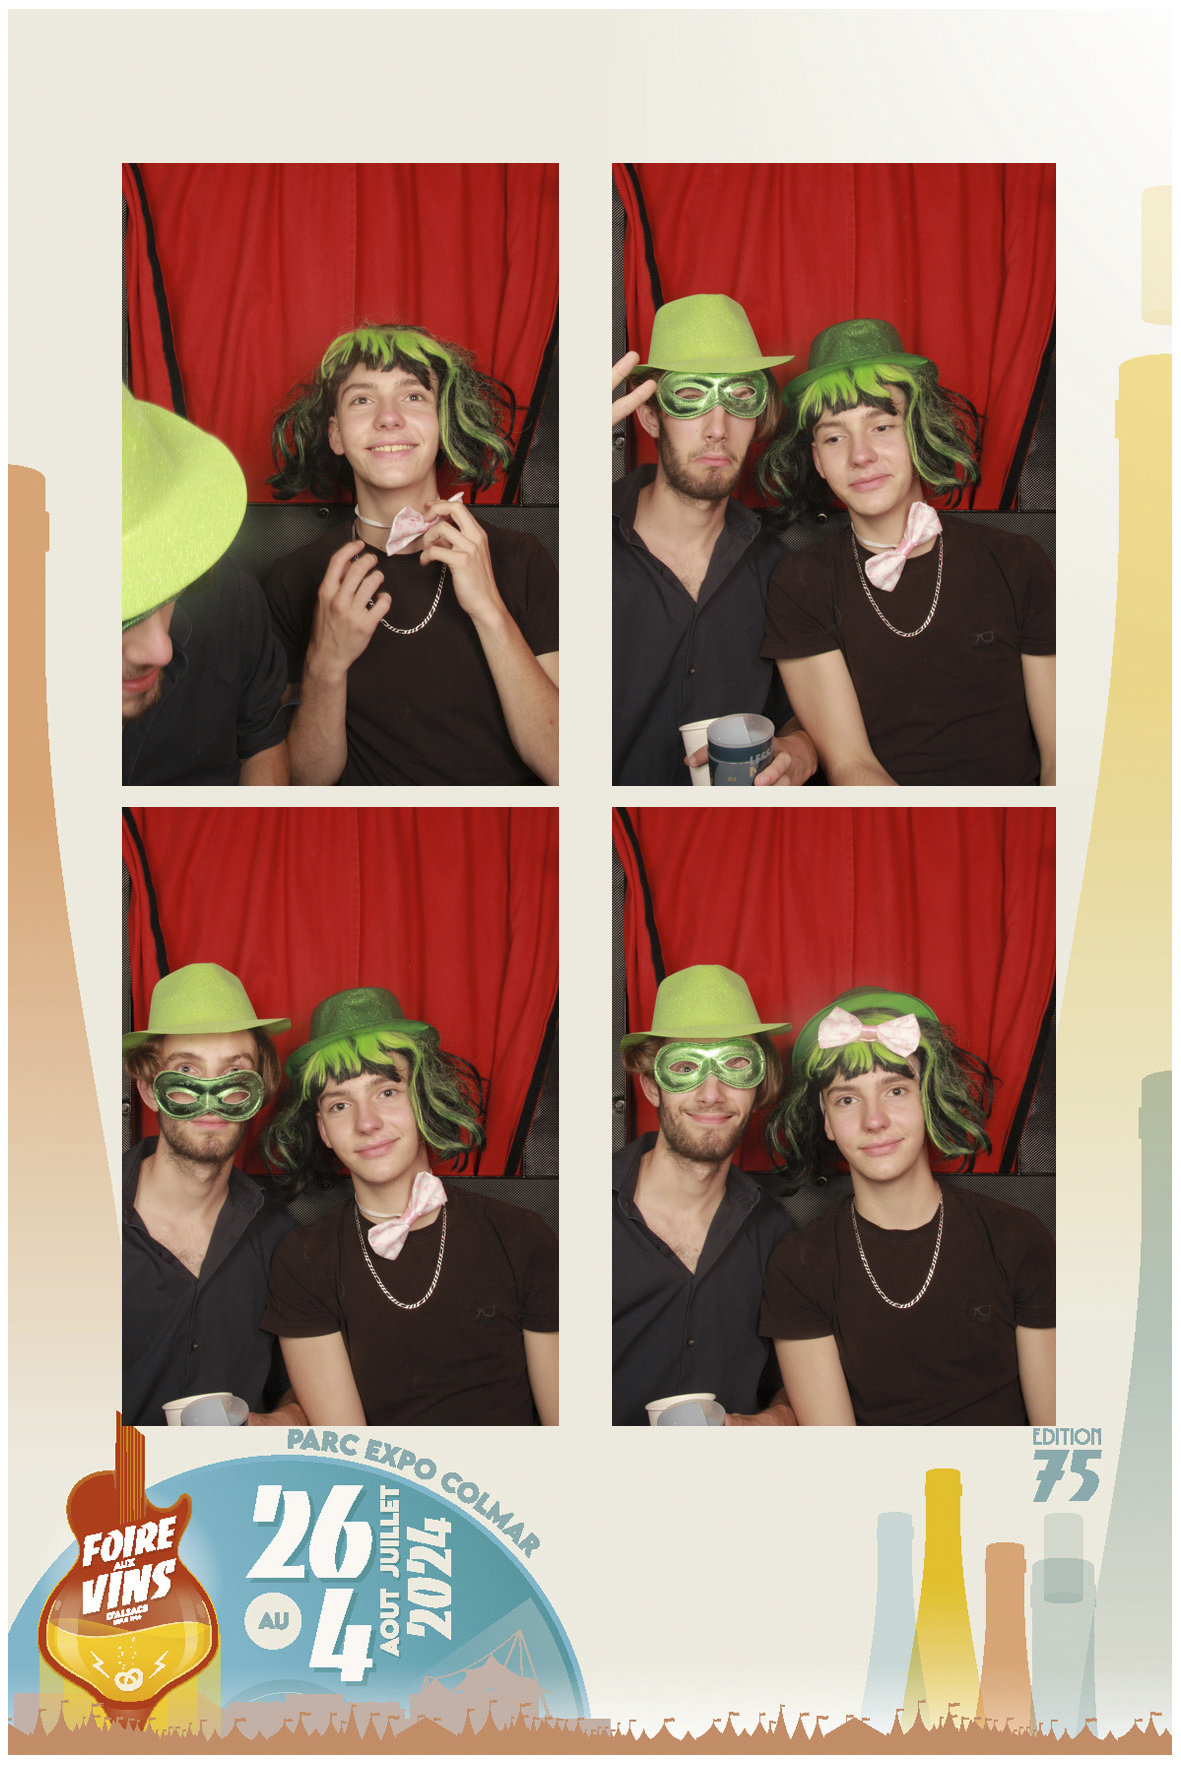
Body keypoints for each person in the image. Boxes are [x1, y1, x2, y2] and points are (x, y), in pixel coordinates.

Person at [757, 318, 1056, 786]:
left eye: (881, 426)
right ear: (817, 460)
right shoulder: (801, 583)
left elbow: (1064, 758)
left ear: (917, 432)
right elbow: (851, 765)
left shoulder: (1018, 560)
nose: (860, 455)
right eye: (834, 437)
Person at [265, 325, 558, 786]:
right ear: (336, 435)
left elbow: (567, 768)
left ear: (443, 424)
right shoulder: (295, 578)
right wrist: (325, 666)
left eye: (414, 396)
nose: (388, 418)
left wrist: (489, 610)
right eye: (363, 399)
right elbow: (303, 786)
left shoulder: (521, 559)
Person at [260, 987, 559, 1426]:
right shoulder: (302, 1262)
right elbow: (349, 1450)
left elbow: (566, 1431)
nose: (366, 1122)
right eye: (340, 1104)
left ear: (422, 1097)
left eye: (386, 1092)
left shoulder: (522, 1236)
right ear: (323, 1130)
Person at [760, 988, 1056, 1426]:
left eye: (895, 1090)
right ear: (827, 1122)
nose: (874, 1120)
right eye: (846, 1099)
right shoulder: (798, 1266)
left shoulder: (1019, 1238)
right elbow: (836, 1453)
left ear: (927, 1099)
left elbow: (1055, 1435)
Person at [612, 294, 817, 787]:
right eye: (689, 396)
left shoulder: (779, 570)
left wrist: (800, 750)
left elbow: (804, 717)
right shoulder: (574, 547)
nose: (718, 429)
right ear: (650, 416)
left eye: (740, 397)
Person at [614, 964, 797, 1426]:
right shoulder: (578, 1216)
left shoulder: (775, 1232)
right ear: (652, 1086)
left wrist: (769, 1421)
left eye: (735, 1065)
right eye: (684, 1068)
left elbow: (795, 1378)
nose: (712, 1094)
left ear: (758, 1086)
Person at [122, 963, 303, 1427]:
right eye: (186, 1070)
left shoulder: (283, 1239)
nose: (210, 1095)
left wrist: (267, 1425)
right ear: (149, 1090)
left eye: (234, 1072)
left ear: (256, 1091)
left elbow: (301, 1390)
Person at [122, 387, 290, 785]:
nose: (160, 650)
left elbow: (262, 742)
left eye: (167, 588)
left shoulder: (229, 594)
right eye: (121, 614)